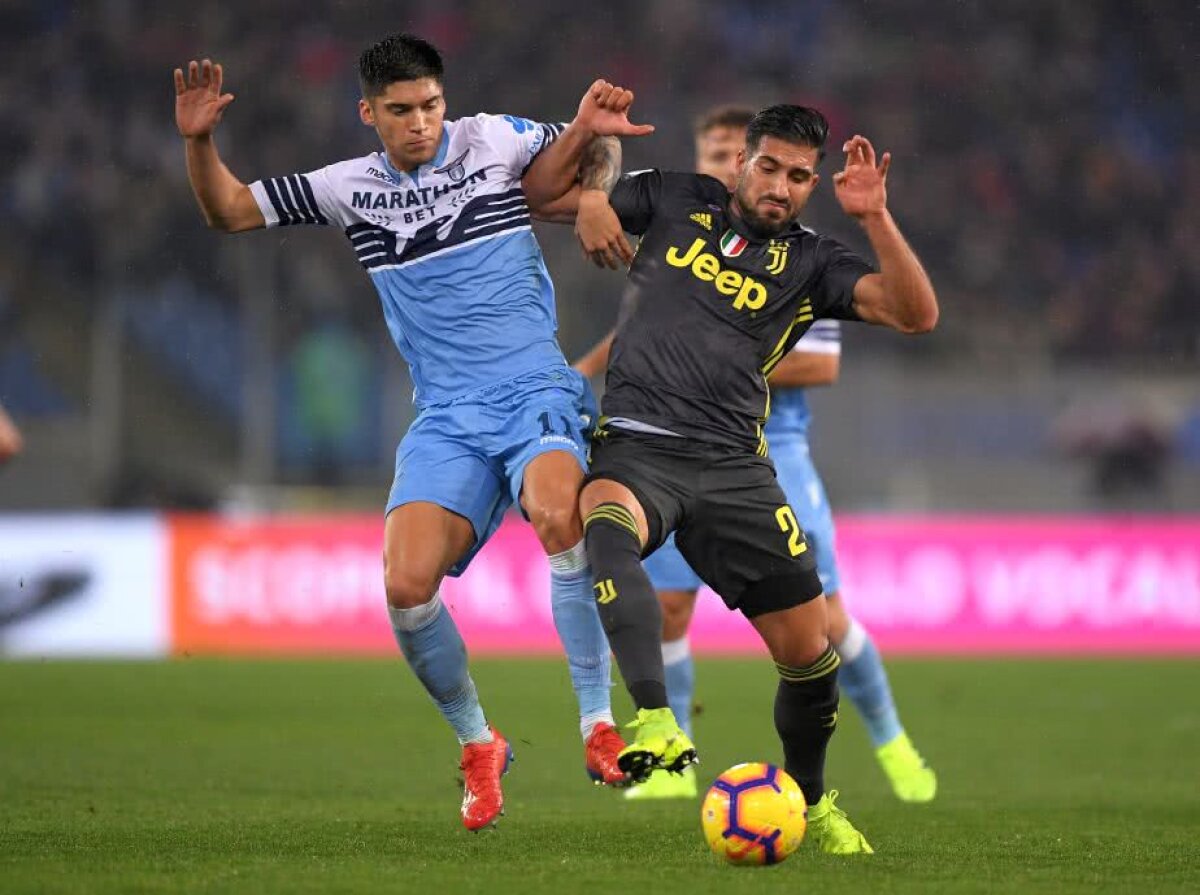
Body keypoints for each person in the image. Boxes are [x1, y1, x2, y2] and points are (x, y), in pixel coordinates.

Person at [173, 33, 652, 830]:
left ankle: (597, 725)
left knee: (559, 514)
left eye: (430, 105)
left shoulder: (489, 138)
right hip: (447, 414)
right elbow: (227, 209)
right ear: (369, 113)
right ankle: (479, 743)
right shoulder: (346, 187)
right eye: (401, 111)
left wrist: (596, 192)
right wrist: (199, 142)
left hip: (534, 383)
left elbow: (595, 144)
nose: (421, 123)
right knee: (404, 585)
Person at [568, 104, 938, 854]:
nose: (781, 185)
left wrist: (875, 219)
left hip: (736, 468)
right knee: (602, 522)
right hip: (639, 446)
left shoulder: (814, 262)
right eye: (768, 166)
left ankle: (810, 798)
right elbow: (552, 191)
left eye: (800, 176)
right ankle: (657, 719)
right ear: (741, 163)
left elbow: (916, 314)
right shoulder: (674, 199)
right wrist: (592, 195)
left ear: (812, 186)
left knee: (811, 651)